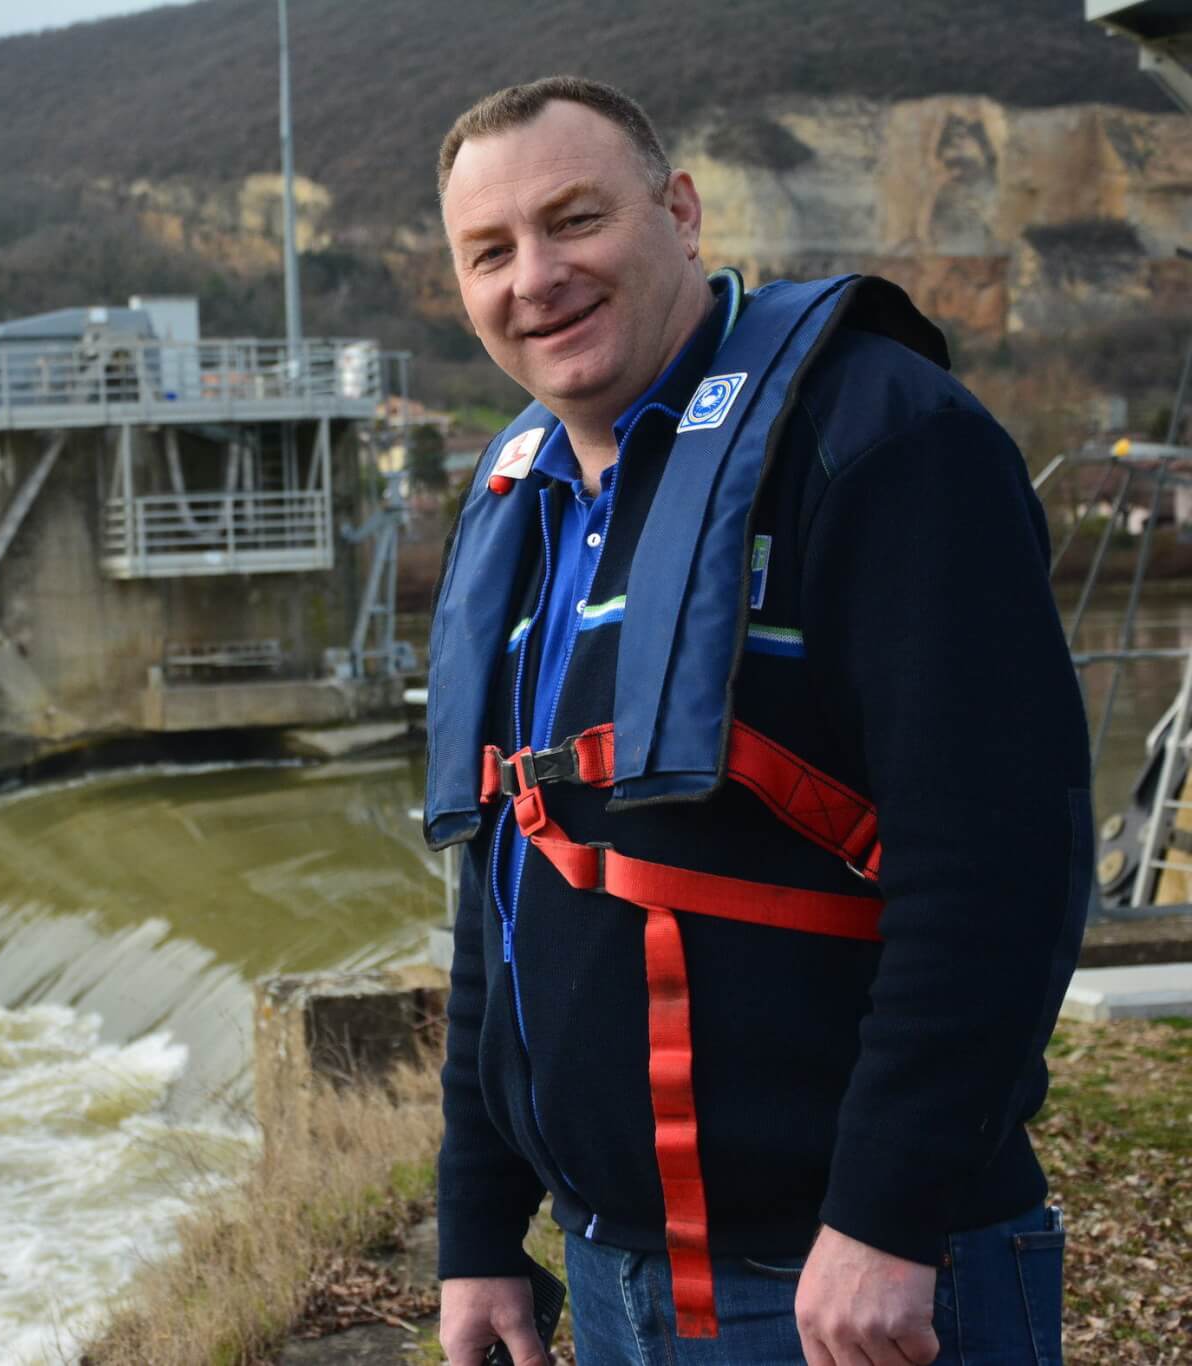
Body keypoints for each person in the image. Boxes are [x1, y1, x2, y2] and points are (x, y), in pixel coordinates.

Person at [423, 77, 1090, 1366]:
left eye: (576, 221)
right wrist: (477, 1229)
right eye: (490, 251)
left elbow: (1004, 860)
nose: (538, 277)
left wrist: (886, 1214)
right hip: (613, 1272)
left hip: (849, 1284)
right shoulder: (522, 503)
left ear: (680, 211)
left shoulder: (883, 438)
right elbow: (499, 894)